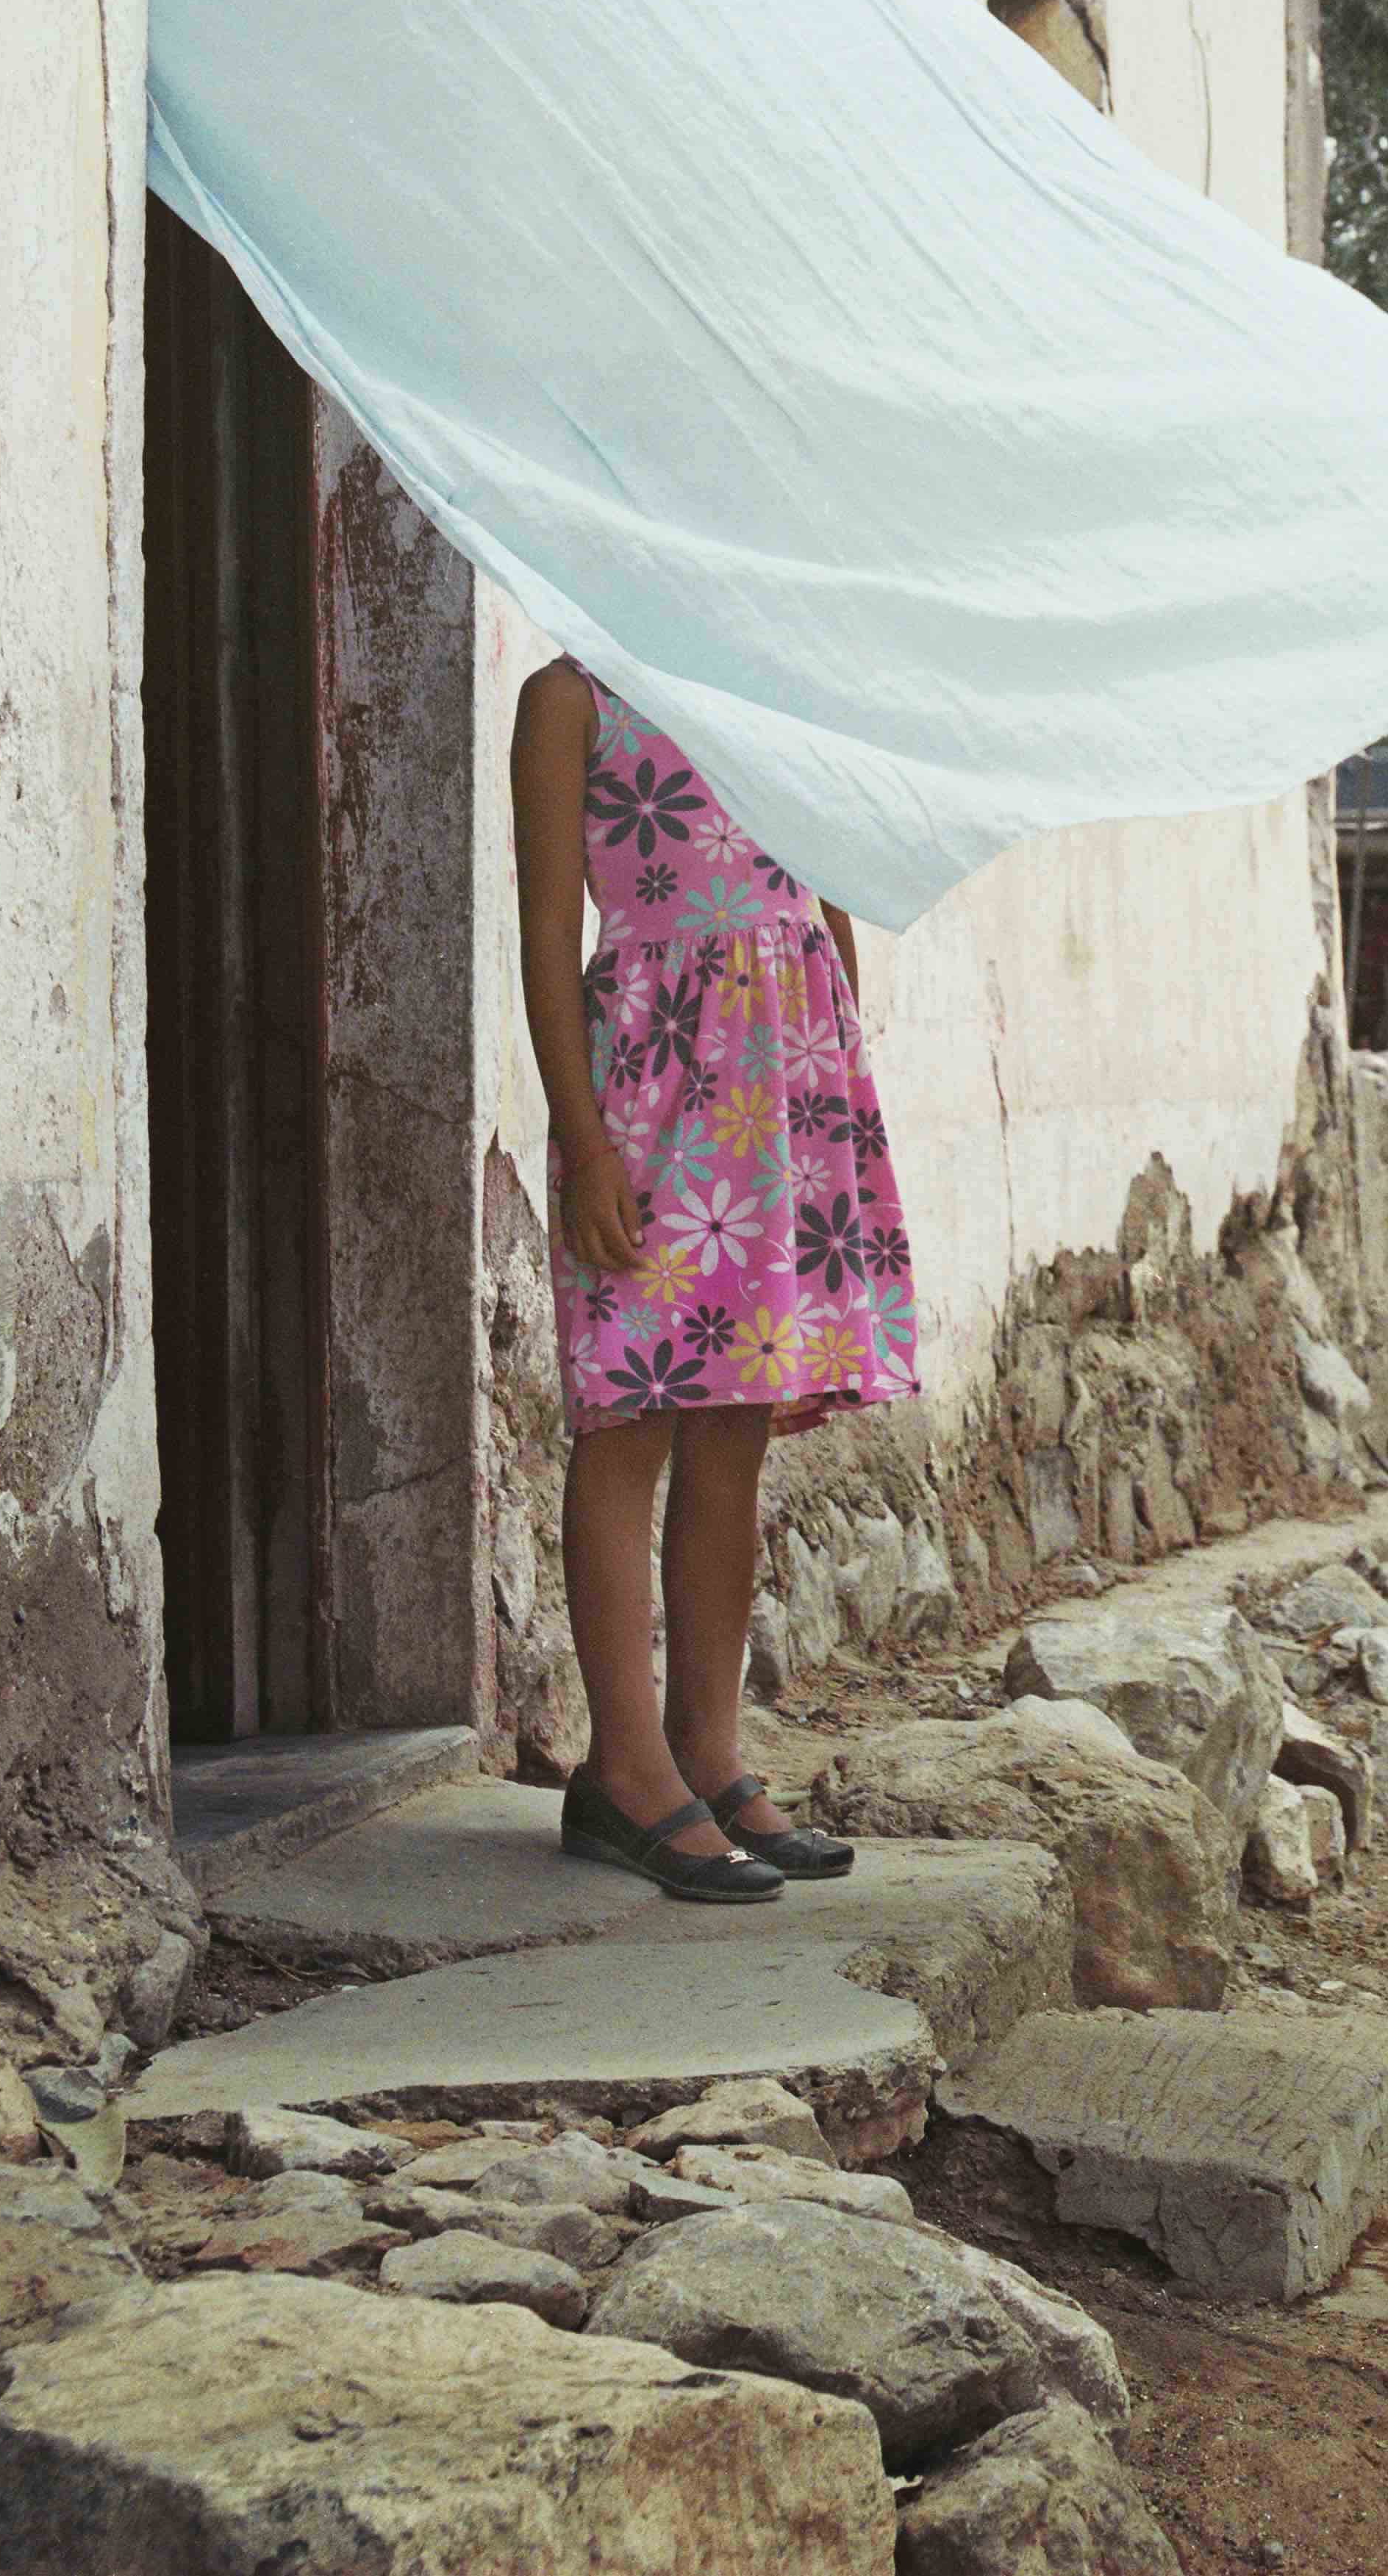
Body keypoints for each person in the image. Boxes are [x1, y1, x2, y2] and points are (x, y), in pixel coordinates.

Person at [512, 654, 920, 1901]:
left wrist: (830, 1073)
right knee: (628, 1413)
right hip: (652, 1082)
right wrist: (583, 1144)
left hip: (783, 1077)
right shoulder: (568, 699)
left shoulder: (767, 682)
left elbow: (825, 888)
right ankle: (624, 1770)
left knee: (735, 1422)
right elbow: (543, 933)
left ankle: (707, 1746)